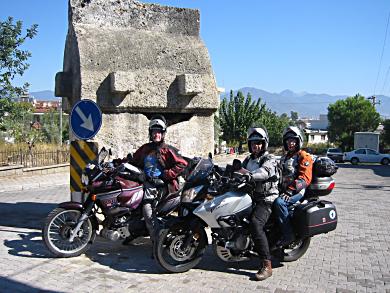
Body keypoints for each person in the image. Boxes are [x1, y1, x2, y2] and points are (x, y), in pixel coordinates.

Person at [123, 115, 188, 245]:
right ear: (150, 133)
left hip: (161, 185)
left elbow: (182, 164)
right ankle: (133, 230)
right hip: (146, 182)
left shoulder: (167, 149)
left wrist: (166, 175)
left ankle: (156, 240)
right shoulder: (145, 149)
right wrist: (118, 164)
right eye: (154, 131)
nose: (156, 134)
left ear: (163, 134)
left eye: (159, 132)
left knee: (147, 209)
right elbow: (133, 160)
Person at [241, 126, 280, 281]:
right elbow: (239, 169)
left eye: (258, 142)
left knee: (256, 223)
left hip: (267, 198)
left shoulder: (269, 159)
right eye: (253, 143)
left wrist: (250, 176)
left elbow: (264, 172)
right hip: (252, 196)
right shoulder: (248, 159)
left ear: (264, 144)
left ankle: (266, 265)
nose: (255, 145)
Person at [273, 126, 313, 246]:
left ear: (298, 141)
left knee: (280, 203)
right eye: (288, 141)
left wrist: (290, 191)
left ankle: (288, 234)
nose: (290, 143)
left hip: (296, 192)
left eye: (293, 141)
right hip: (283, 189)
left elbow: (305, 179)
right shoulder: (285, 157)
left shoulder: (304, 156)